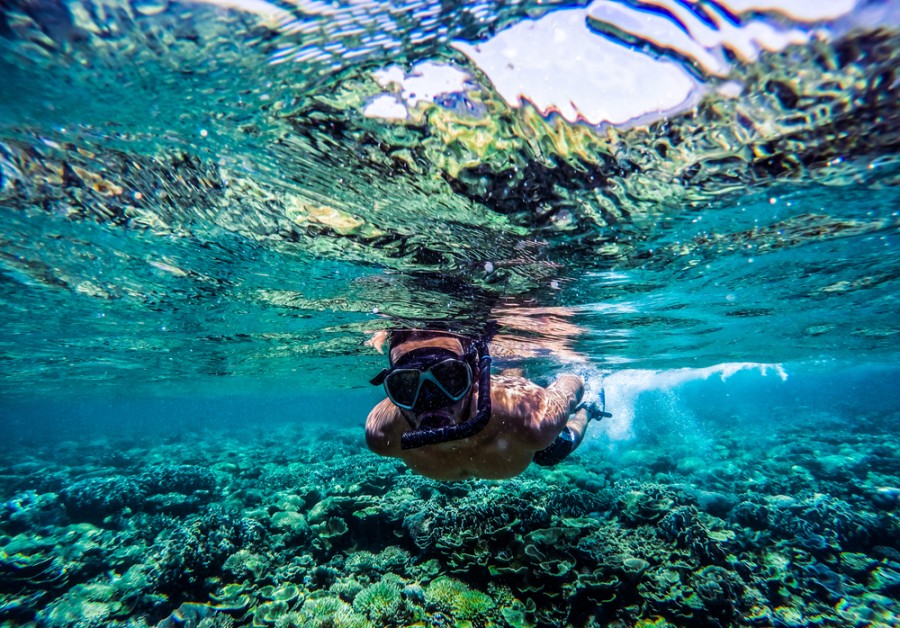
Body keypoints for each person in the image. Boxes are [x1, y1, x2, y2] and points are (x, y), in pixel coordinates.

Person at [365, 328, 609, 480]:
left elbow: (569, 387)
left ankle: (589, 410)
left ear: (473, 377)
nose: (430, 401)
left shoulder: (533, 419)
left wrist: (577, 377)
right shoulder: (382, 433)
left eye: (450, 377)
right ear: (392, 387)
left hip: (513, 408)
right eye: (406, 385)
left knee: (552, 451)